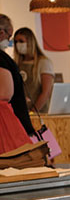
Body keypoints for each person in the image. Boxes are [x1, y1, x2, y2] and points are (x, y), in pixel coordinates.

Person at [0, 14, 36, 144]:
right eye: (11, 38)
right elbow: (4, 94)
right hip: (11, 124)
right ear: (2, 33)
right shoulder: (3, 59)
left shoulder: (4, 59)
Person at [14, 27, 54, 114]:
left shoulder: (43, 62)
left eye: (21, 41)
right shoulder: (16, 63)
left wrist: (33, 111)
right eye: (16, 42)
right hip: (20, 113)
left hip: (39, 113)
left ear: (30, 42)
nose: (18, 44)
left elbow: (46, 92)